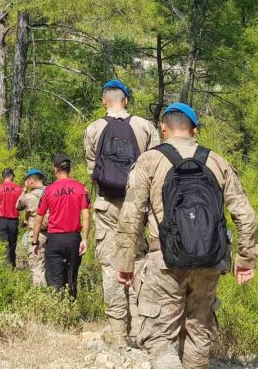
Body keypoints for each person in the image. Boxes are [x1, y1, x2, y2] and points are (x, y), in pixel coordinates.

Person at [115, 103, 258, 369]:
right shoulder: (218, 162)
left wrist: (124, 262)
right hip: (210, 260)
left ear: (163, 128)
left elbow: (130, 215)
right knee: (198, 333)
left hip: (165, 260)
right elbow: (246, 215)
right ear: (195, 131)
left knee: (160, 338)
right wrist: (246, 258)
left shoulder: (148, 161)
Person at [84, 79, 160, 347]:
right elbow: (155, 168)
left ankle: (117, 334)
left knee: (110, 266)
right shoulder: (144, 126)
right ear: (126, 100)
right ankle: (140, 329)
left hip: (106, 205)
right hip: (137, 204)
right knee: (138, 263)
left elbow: (92, 170)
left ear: (104, 100)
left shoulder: (94, 128)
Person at [32, 155, 91, 298]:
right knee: (72, 278)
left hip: (55, 240)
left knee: (55, 280)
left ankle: (58, 313)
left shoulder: (49, 190)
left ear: (55, 170)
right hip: (73, 239)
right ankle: (71, 309)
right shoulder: (80, 188)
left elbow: (38, 218)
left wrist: (35, 241)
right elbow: (86, 215)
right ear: (69, 169)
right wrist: (85, 239)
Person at [17, 169, 48, 286]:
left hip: (36, 234)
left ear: (30, 181)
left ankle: (40, 294)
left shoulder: (29, 196)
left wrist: (24, 190)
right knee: (49, 265)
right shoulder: (51, 192)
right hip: (53, 233)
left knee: (36, 266)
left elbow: (18, 205)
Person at [0, 168, 23, 268]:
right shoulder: (19, 188)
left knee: (3, 245)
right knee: (12, 245)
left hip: (1, 220)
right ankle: (13, 266)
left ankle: (4, 268)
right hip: (13, 221)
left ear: (3, 177)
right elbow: (23, 205)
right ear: (11, 176)